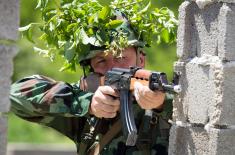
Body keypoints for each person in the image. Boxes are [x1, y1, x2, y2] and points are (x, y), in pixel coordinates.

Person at [10, 4, 174, 155]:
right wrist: (86, 104)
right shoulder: (86, 100)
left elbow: (192, 112)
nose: (111, 68)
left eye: (121, 57)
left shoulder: (165, 99)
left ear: (141, 61)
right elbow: (13, 96)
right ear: (90, 69)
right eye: (101, 61)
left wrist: (161, 103)